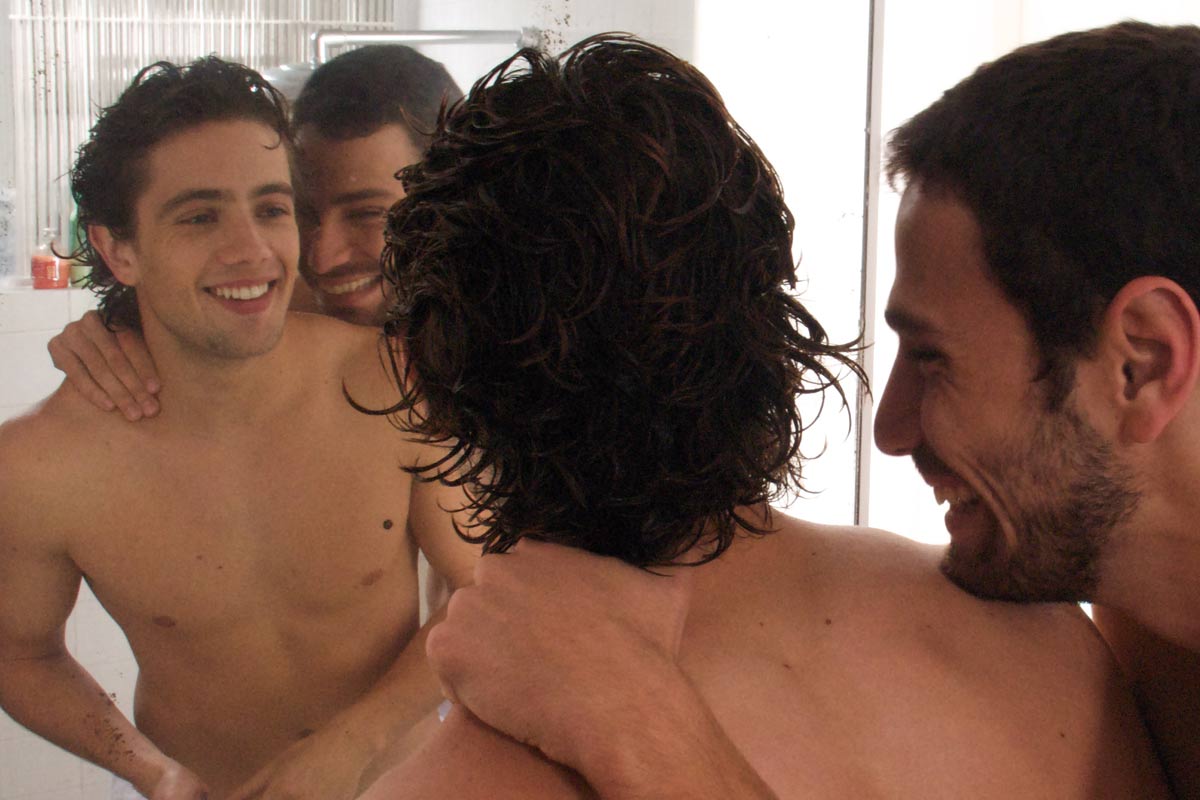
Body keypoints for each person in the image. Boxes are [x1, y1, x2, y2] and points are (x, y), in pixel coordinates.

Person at [355, 34, 1168, 799]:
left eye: (932, 355)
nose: (894, 429)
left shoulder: (450, 784)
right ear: (771, 319)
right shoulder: (1054, 646)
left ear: (432, 375)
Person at [0, 57, 478, 800]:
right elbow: (20, 654)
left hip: (405, 781)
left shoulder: (394, 379)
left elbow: (482, 592)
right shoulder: (39, 465)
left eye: (272, 208)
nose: (254, 250)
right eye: (200, 216)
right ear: (118, 248)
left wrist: (350, 746)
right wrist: (151, 772)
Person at [872, 20, 1200, 796]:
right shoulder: (1140, 631)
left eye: (932, 359)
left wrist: (644, 729)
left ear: (1142, 365)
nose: (891, 429)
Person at [47, 44, 463, 421]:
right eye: (299, 213)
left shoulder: (496, 350)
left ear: (454, 199)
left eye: (367, 214)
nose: (322, 259)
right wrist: (116, 330)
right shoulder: (285, 314)